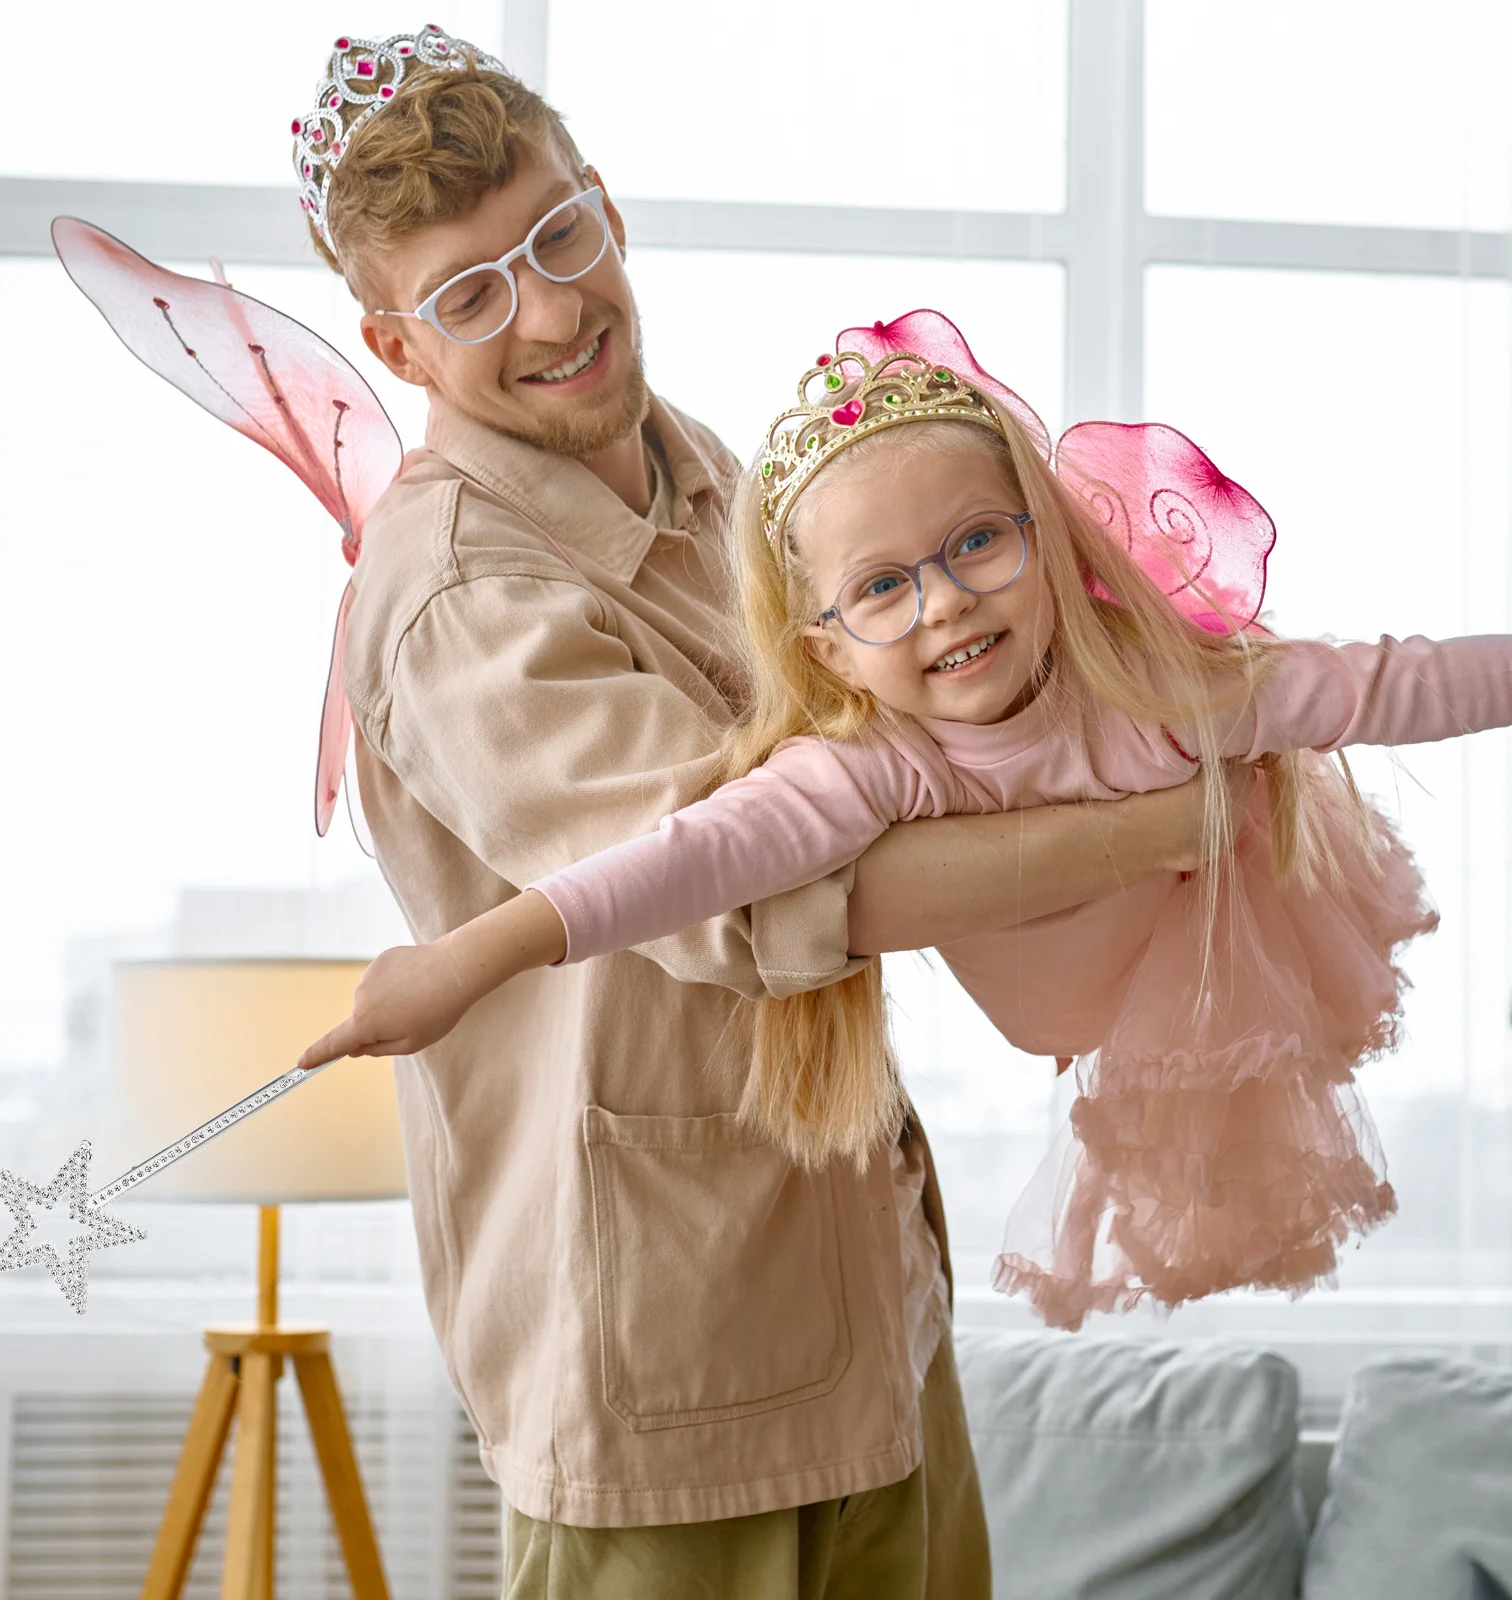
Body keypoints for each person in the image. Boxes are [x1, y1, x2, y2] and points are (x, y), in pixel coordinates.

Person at [296, 27, 1245, 1598]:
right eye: (470, 295)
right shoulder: (457, 590)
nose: (548, 312)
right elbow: (761, 896)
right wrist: (1166, 822)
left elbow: (913, 754)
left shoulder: (713, 483)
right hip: (663, 1362)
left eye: (558, 237)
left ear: (604, 204)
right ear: (398, 348)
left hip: (862, 1294)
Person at [305, 305, 1512, 1340]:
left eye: (978, 542)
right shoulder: (878, 766)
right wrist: (471, 955)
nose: (944, 605)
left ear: (1048, 541)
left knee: (1220, 1140)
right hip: (1066, 976)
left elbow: (1391, 681)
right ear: (823, 641)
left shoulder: (1168, 699)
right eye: (882, 586)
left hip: (1189, 942)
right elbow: (689, 861)